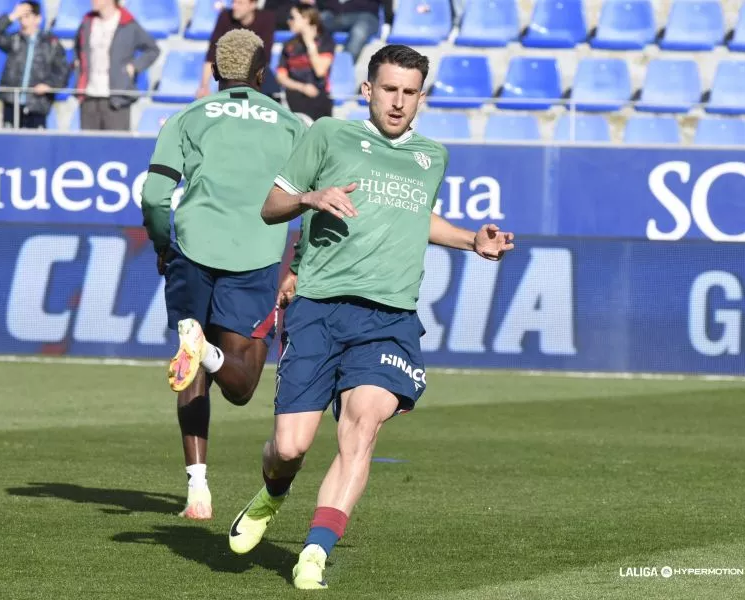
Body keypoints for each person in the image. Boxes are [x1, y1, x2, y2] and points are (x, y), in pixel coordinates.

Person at [227, 44, 515, 589]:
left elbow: (416, 219)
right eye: (389, 90)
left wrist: (470, 241)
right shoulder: (328, 136)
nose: (399, 102)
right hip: (319, 309)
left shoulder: (432, 155)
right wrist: (311, 198)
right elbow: (270, 206)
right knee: (290, 447)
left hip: (389, 318)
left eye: (410, 93)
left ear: (421, 97)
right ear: (368, 90)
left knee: (361, 429)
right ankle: (272, 492)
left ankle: (315, 550)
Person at [140, 29, 307, 520]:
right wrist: (296, 267)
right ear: (262, 73)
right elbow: (315, 201)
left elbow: (154, 195)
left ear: (214, 73)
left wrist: (163, 244)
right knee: (241, 386)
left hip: (191, 249)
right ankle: (207, 350)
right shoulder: (290, 124)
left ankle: (197, 490)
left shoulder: (188, 118)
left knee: (189, 367)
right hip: (254, 255)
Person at [74, 0, 159, 131]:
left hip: (117, 99)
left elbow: (152, 49)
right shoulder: (87, 22)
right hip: (89, 97)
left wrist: (134, 67)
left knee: (115, 148)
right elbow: (77, 49)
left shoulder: (128, 23)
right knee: (88, 148)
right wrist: (78, 66)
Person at [0, 2, 70, 129]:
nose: (23, 20)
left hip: (38, 104)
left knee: (35, 145)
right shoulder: (14, 40)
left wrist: (49, 85)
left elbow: (63, 72)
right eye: (21, 17)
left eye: (27, 16)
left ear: (38, 18)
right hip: (12, 101)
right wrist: (11, 16)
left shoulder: (51, 44)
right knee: (10, 144)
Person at [197, 0, 276, 100]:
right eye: (234, 2)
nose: (235, 6)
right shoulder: (225, 17)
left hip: (257, 75)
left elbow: (265, 57)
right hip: (231, 76)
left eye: (240, 3)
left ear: (252, 5)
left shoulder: (267, 18)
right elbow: (212, 55)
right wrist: (204, 86)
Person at [276, 4, 335, 121]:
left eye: (292, 17)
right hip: (295, 95)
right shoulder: (288, 45)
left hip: (318, 96)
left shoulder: (325, 42)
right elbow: (280, 77)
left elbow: (320, 71)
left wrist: (309, 42)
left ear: (306, 19)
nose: (289, 21)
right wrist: (302, 87)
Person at [320, 0, 393, 62]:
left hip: (366, 15)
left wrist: (387, 22)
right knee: (315, 24)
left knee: (358, 32)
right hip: (333, 14)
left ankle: (342, 69)